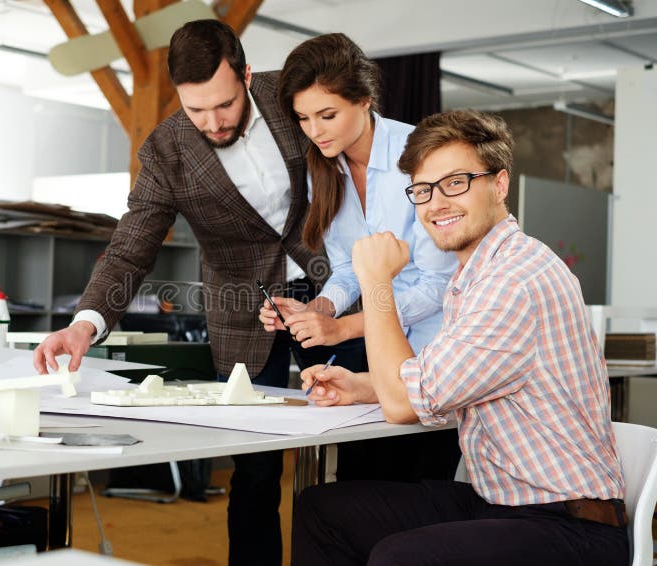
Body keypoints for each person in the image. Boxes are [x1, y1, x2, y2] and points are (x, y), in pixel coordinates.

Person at [33, 19, 333, 566]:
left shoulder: (290, 94)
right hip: (243, 309)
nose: (213, 123)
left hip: (334, 288)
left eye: (223, 105)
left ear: (246, 75)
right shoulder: (166, 152)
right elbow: (130, 249)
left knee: (366, 434)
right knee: (256, 465)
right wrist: (85, 323)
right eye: (197, 110)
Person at [293, 110, 628, 566]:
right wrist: (361, 385)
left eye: (456, 182)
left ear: (500, 184)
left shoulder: (513, 281)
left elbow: (401, 407)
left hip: (569, 525)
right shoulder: (477, 275)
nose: (435, 204)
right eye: (424, 190)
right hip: (502, 503)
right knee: (323, 510)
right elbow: (440, 376)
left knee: (399, 556)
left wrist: (375, 281)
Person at [260, 33, 460, 482]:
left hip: (435, 358)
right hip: (380, 358)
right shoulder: (325, 170)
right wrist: (319, 309)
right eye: (304, 118)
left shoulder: (422, 159)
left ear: (365, 99)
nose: (315, 130)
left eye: (328, 115)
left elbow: (436, 286)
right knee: (357, 486)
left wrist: (342, 328)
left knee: (417, 498)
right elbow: (350, 266)